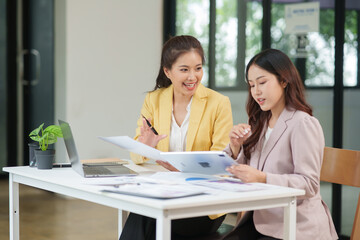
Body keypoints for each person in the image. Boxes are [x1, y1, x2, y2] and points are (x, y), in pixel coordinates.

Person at [120, 35, 233, 240]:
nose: (193, 77)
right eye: (184, 69)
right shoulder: (153, 100)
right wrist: (144, 147)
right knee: (147, 208)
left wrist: (183, 168)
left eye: (198, 68)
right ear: (167, 71)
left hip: (204, 203)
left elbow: (222, 160)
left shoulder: (218, 103)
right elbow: (136, 156)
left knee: (147, 212)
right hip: (166, 191)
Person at [223, 49, 338, 240]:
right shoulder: (260, 122)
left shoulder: (302, 123)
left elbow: (309, 184)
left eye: (262, 82)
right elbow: (243, 171)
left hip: (296, 226)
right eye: (251, 85)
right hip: (262, 222)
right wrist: (235, 147)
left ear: (284, 81)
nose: (256, 91)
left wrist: (262, 178)